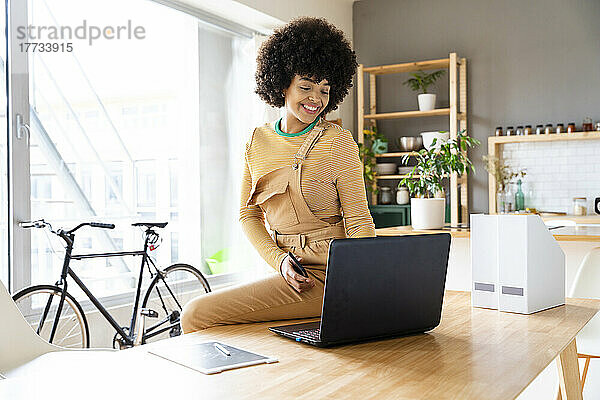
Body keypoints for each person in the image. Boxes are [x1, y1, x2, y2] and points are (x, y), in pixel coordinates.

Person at [181, 16, 375, 333]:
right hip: (290, 271)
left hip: (333, 276)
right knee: (200, 315)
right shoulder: (257, 141)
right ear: (282, 82)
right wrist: (280, 261)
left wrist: (366, 282)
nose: (316, 99)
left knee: (195, 314)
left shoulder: (337, 142)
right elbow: (248, 214)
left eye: (325, 89)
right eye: (305, 86)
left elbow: (358, 221)